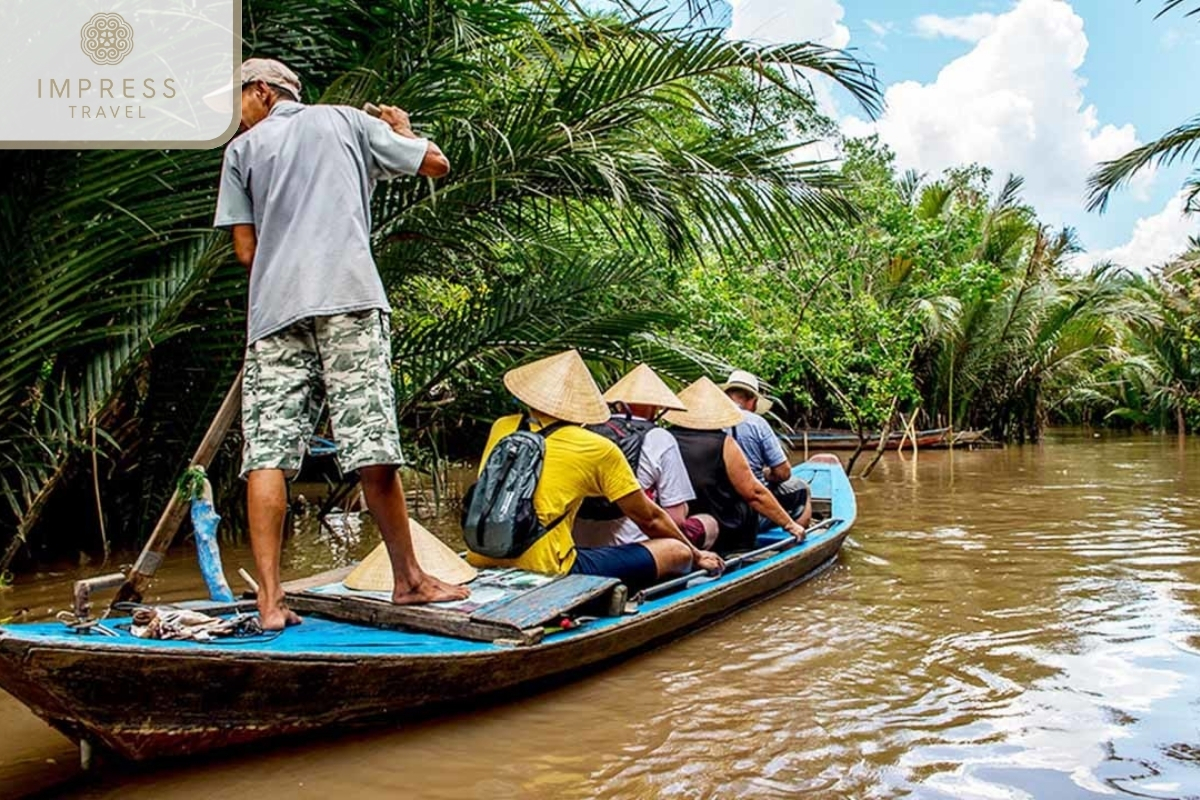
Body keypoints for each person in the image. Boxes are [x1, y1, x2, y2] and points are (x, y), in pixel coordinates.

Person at [213, 58, 465, 629]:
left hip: (274, 313)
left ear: (261, 93)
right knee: (371, 439)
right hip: (347, 298)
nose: (236, 116)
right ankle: (410, 580)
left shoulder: (240, 154)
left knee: (268, 452)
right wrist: (399, 129)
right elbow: (434, 162)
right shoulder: (345, 121)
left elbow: (247, 254)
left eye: (238, 102)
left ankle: (271, 601)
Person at [466, 351, 724, 590]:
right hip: (550, 568)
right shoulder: (595, 447)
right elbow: (650, 519)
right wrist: (697, 553)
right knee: (676, 550)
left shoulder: (503, 428)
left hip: (481, 553)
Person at [574, 364, 718, 550]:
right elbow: (676, 520)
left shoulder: (585, 430)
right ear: (655, 406)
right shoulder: (659, 437)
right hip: (633, 547)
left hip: (578, 545)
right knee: (708, 522)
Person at [665, 378, 806, 554]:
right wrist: (789, 525)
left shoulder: (664, 438)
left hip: (685, 519)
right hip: (727, 527)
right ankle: (796, 547)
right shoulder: (723, 443)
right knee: (800, 489)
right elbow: (754, 493)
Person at [721, 370, 812, 529]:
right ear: (753, 401)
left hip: (717, 501)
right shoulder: (756, 423)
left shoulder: (708, 420)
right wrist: (766, 474)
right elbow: (783, 473)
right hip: (750, 506)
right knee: (803, 488)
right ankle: (796, 539)